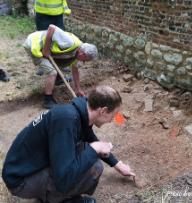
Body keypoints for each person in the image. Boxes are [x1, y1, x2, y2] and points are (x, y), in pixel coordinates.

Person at [2, 86, 136, 203]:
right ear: (103, 111)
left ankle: (49, 192)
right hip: (21, 181)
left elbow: (89, 137)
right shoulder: (66, 121)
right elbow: (63, 178)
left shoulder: (79, 111)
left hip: (28, 167)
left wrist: (116, 164)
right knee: (94, 166)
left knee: (84, 150)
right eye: (113, 115)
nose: (112, 120)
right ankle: (59, 199)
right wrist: (94, 148)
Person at [23, 24, 98, 109]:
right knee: (52, 73)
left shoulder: (78, 54)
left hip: (45, 50)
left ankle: (58, 80)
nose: (83, 62)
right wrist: (46, 49)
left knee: (64, 62)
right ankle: (48, 100)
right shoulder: (69, 42)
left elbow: (75, 70)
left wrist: (78, 88)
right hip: (34, 44)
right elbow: (51, 28)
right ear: (82, 53)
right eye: (85, 60)